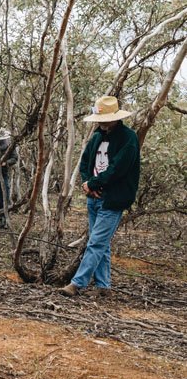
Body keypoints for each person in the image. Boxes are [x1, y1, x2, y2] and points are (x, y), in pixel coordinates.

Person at [60, 96, 140, 297]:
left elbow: (118, 169)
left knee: (95, 242)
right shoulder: (96, 137)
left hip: (113, 199)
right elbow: (86, 161)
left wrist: (94, 183)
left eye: (104, 119)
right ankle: (104, 286)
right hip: (93, 198)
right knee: (101, 244)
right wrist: (87, 184)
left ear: (114, 117)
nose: (101, 123)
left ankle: (77, 284)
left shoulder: (128, 138)